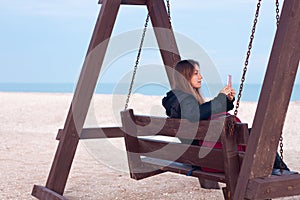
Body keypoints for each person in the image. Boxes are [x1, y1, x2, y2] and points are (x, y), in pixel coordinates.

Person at [162, 59, 293, 188]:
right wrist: (220, 98)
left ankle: (281, 170)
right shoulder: (184, 99)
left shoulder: (177, 100)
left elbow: (201, 113)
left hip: (199, 157)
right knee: (257, 136)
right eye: (196, 73)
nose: (200, 77)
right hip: (209, 159)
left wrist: (227, 100)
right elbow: (195, 115)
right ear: (185, 76)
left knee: (252, 134)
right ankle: (285, 172)